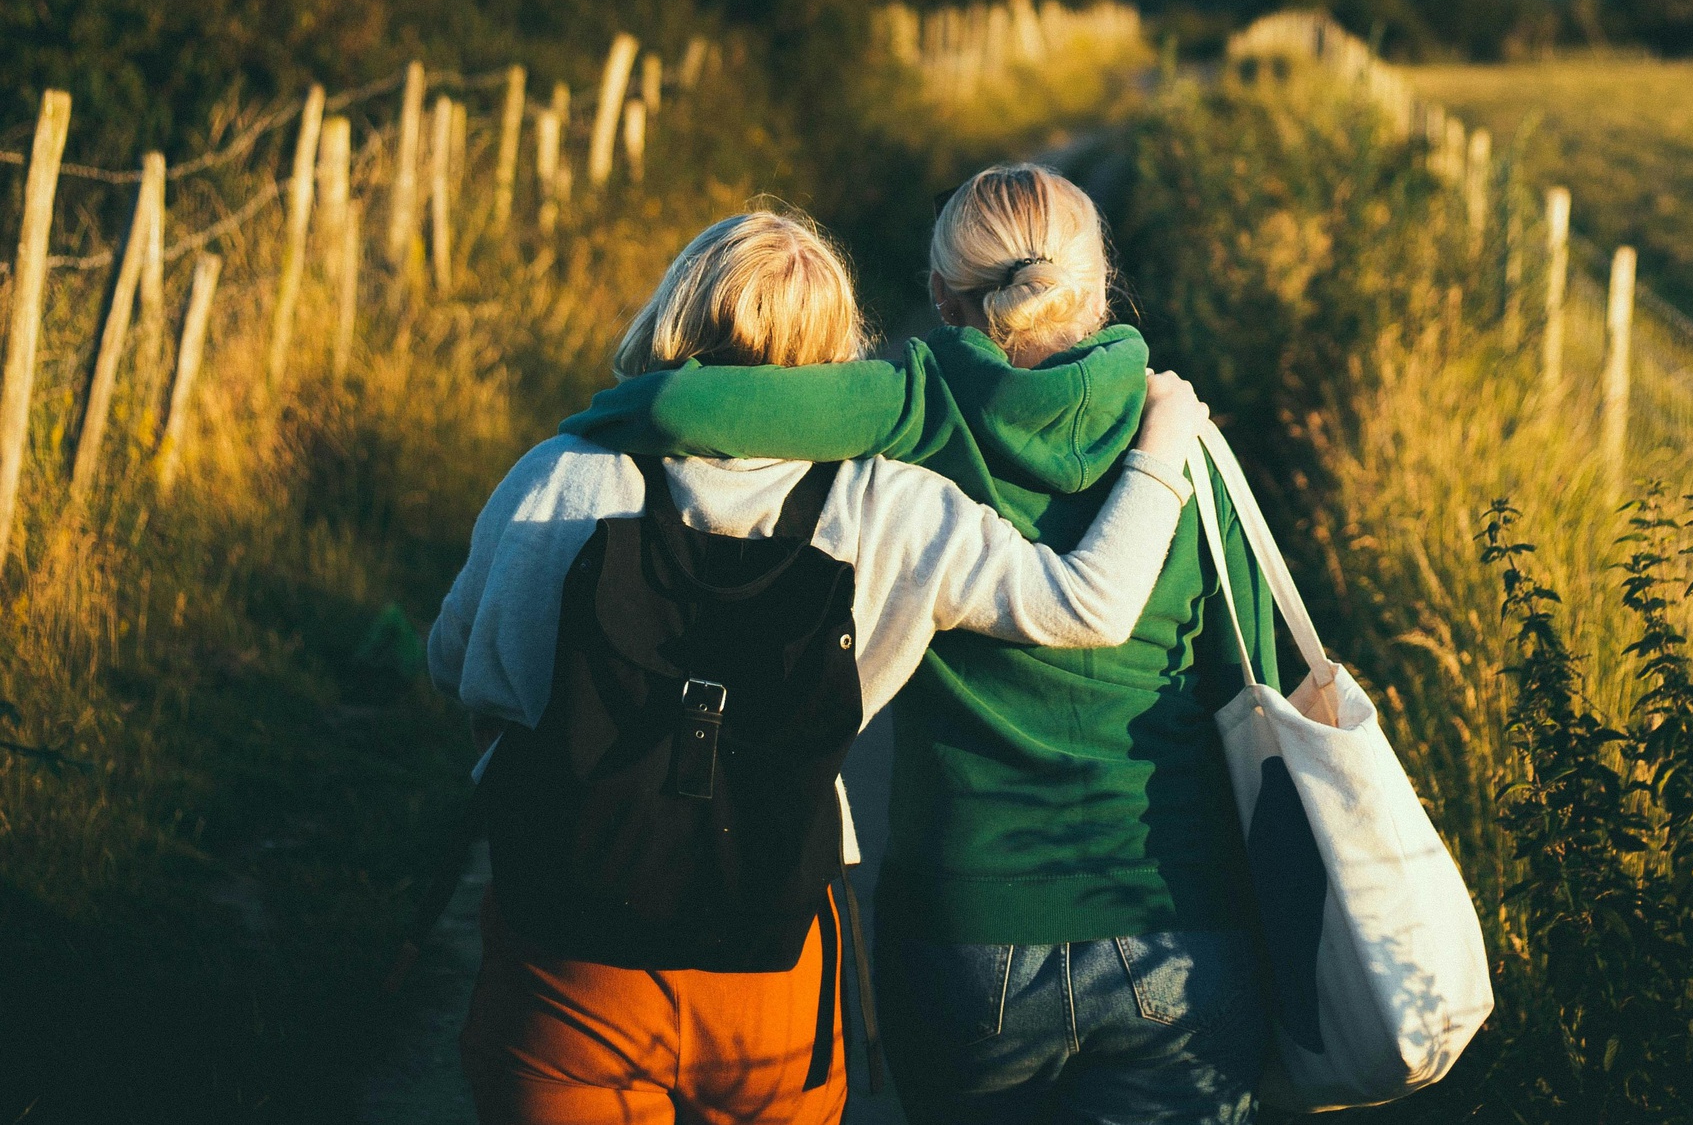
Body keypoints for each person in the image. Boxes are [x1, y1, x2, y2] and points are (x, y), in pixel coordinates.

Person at [428, 207, 1214, 1125]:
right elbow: (1087, 602)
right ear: (839, 347)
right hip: (775, 946)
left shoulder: (560, 473)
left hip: (567, 942)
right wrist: (1163, 446)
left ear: (674, 314)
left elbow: (458, 664)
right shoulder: (892, 502)